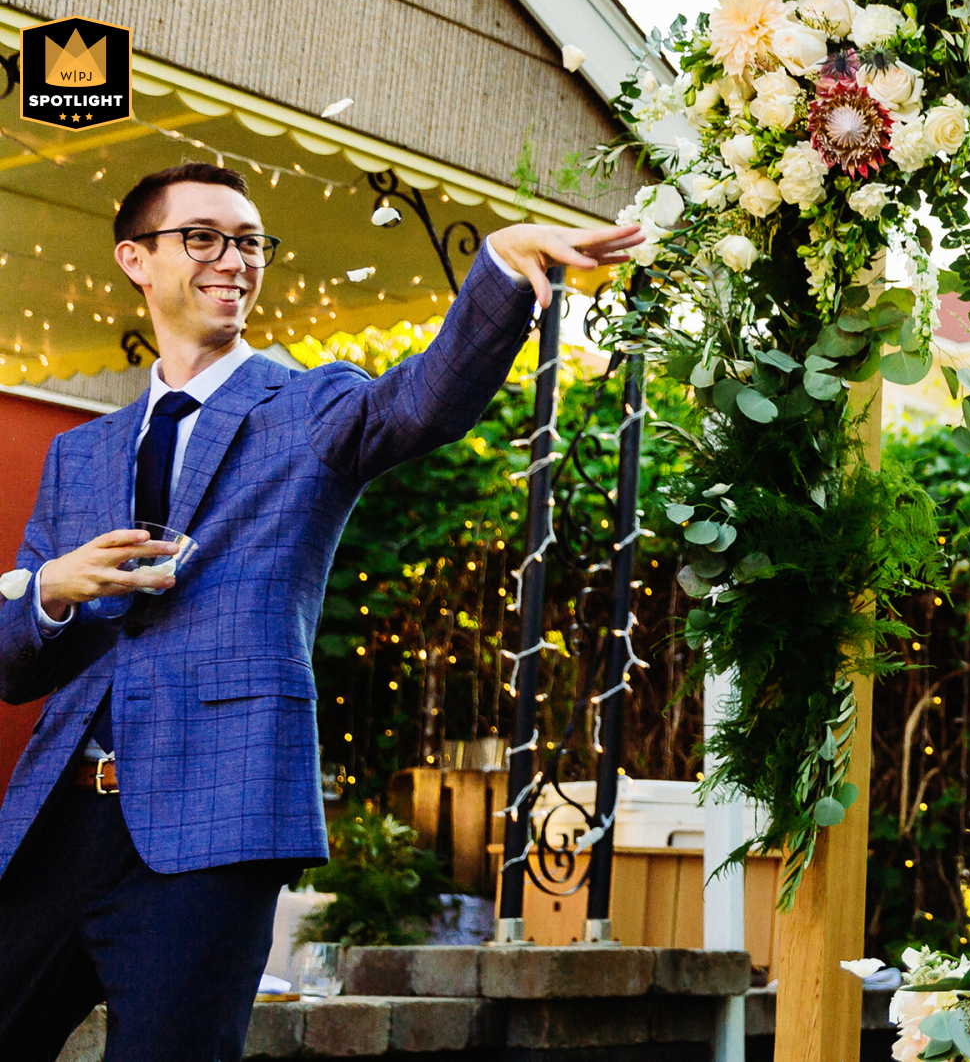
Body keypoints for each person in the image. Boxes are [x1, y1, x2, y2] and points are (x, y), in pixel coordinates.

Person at [0, 162, 642, 1062]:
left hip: (210, 826)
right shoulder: (79, 453)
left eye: (251, 242)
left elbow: (421, 401)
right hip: (58, 821)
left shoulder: (310, 406)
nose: (235, 260)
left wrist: (496, 271)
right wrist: (55, 591)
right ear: (135, 259)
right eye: (204, 238)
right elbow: (12, 663)